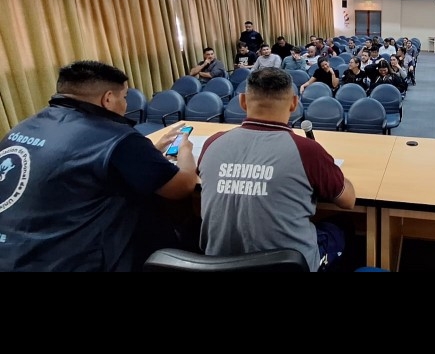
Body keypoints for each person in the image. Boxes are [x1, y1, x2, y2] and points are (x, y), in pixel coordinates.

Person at [0, 60, 198, 272]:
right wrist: (186, 152)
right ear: (108, 99)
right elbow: (181, 187)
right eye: (124, 97)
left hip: (14, 254)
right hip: (69, 259)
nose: (126, 104)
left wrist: (148, 153)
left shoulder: (22, 127)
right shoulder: (116, 137)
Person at [197, 67, 356, 272]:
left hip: (218, 265)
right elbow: (348, 200)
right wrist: (331, 170)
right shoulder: (307, 151)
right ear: (293, 104)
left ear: (243, 101)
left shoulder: (213, 143)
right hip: (290, 266)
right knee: (344, 225)